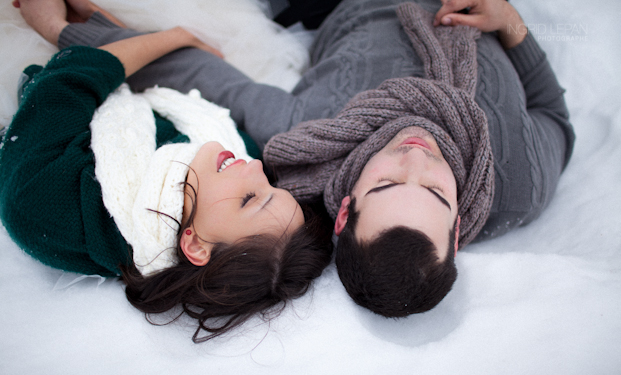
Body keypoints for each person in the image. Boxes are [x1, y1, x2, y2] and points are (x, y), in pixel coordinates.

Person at [44, 0, 574, 317]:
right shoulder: (519, 184)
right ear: (458, 228)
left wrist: (66, 33)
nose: (418, 158)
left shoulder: (312, 141)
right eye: (436, 192)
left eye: (388, 186)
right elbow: (552, 112)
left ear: (345, 210)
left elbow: (201, 75)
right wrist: (510, 23)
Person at [0, 0, 333, 343]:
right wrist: (105, 26)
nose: (256, 166)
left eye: (249, 199)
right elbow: (156, 77)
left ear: (197, 247)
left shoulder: (47, 204)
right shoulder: (228, 147)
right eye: (273, 188)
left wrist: (177, 36)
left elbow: (75, 75)